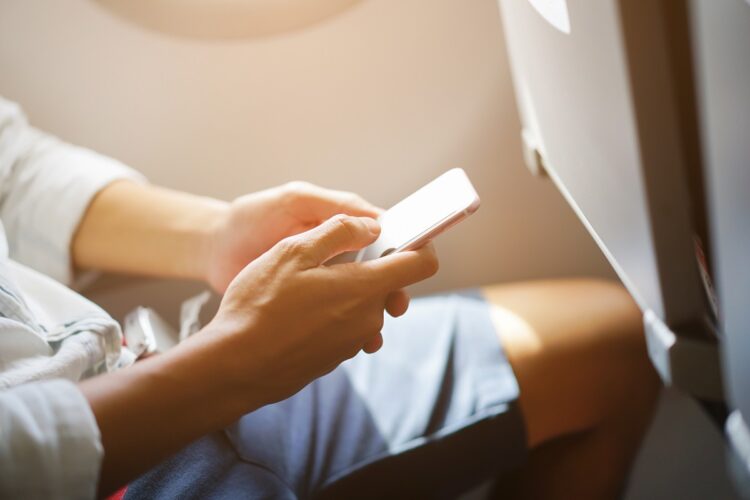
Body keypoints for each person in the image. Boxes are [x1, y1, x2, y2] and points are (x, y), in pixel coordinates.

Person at [0, 95, 659, 500]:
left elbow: (14, 171)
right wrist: (230, 365)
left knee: (613, 345)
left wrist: (214, 237)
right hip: (95, 463)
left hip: (134, 368)